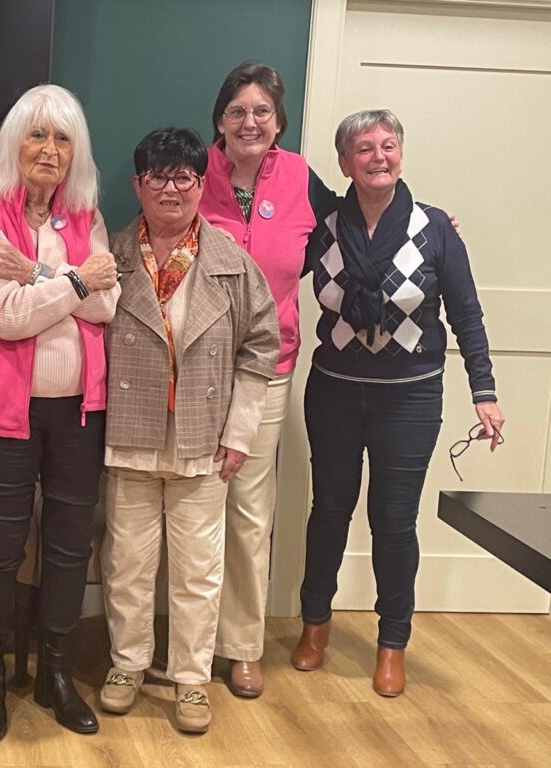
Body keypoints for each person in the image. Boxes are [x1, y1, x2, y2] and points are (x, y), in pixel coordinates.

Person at [293, 109, 504, 697]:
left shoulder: (434, 228)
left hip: (410, 399)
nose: (378, 156)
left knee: (393, 521)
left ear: (401, 155)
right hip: (333, 392)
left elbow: (466, 313)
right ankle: (315, 624)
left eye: (388, 145)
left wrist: (484, 391)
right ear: (344, 163)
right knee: (328, 512)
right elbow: (276, 269)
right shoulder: (323, 228)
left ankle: (392, 642)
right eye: (364, 148)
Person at [0, 83, 120, 741]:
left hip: (79, 411)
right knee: (0, 550)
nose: (50, 150)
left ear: (77, 151)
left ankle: (55, 673)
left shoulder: (86, 215)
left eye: (63, 138)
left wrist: (33, 272)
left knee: (70, 546)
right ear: (13, 143)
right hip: (3, 415)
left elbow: (108, 306)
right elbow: (4, 317)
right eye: (37, 135)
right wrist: (72, 280)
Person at [97, 128, 279, 733]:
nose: (171, 189)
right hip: (130, 433)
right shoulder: (110, 257)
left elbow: (261, 347)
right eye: (158, 176)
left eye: (184, 177)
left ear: (203, 184)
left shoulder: (232, 261)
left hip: (203, 437)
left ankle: (192, 677)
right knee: (127, 563)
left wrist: (240, 431)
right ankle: (127, 664)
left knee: (199, 568)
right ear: (137, 184)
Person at [197, 61, 337, 698]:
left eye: (261, 112)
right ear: (219, 120)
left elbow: (363, 218)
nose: (249, 122)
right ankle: (189, 641)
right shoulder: (192, 172)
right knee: (193, 508)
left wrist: (431, 222)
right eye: (237, 111)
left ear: (279, 122)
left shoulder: (302, 177)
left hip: (268, 372)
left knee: (251, 514)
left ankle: (241, 647)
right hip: (195, 371)